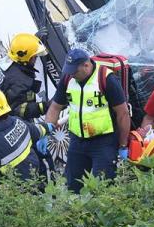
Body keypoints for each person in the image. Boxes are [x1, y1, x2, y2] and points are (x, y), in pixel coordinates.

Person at [43, 48, 131, 193]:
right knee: (73, 186)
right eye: (69, 71)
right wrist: (45, 131)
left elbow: (123, 113)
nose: (72, 75)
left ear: (86, 65)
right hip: (77, 141)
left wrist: (123, 145)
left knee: (102, 188)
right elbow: (55, 107)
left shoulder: (106, 79)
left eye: (74, 72)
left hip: (103, 142)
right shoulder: (68, 79)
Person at [0, 33, 48, 120]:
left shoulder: (10, 61)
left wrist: (35, 44)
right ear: (25, 58)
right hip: (18, 120)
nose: (36, 58)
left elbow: (22, 47)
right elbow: (17, 109)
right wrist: (43, 107)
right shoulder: (20, 80)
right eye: (34, 57)